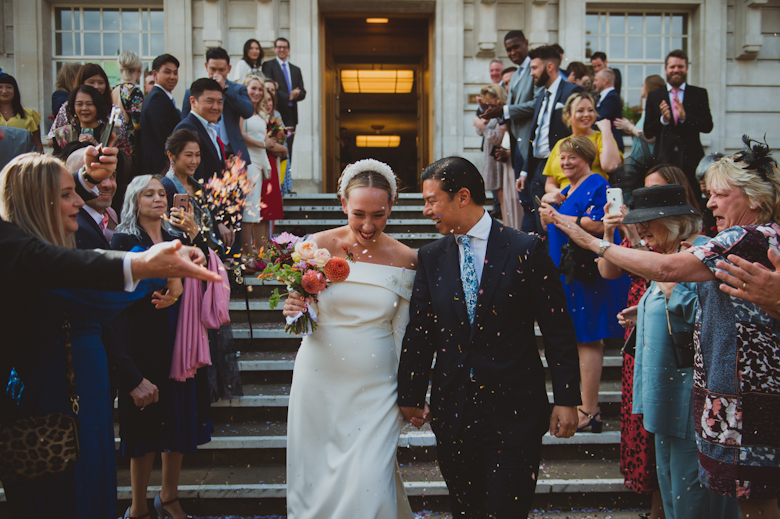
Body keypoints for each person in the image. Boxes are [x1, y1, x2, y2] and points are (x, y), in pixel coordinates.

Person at [551, 139, 780, 519]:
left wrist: (591, 241)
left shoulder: (746, 237)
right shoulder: (761, 236)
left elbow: (667, 270)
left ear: (754, 200)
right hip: (732, 395)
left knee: (749, 505)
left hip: (744, 398)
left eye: (720, 195)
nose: (710, 204)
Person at [398, 156, 580, 517]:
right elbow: (420, 333)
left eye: (432, 200)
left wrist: (567, 398)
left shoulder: (526, 249)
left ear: (462, 196)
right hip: (454, 412)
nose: (425, 210)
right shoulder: (431, 258)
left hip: (515, 412)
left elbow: (558, 328)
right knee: (466, 511)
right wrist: (411, 393)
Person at [0, 153, 167, 519]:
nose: (80, 200)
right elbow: (99, 294)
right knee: (69, 496)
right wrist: (155, 265)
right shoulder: (31, 260)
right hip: (55, 393)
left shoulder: (51, 247)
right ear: (37, 202)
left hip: (83, 387)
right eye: (67, 194)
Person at [281, 159, 417, 519]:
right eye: (358, 214)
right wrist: (293, 307)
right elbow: (300, 315)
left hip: (378, 385)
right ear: (343, 205)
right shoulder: (315, 248)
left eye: (379, 214)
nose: (368, 225)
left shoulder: (407, 259)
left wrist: (412, 390)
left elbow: (405, 331)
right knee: (315, 478)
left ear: (392, 207)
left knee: (370, 480)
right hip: (319, 380)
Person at [606, 185, 742, 519]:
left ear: (672, 224)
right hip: (664, 399)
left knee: (693, 498)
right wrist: (644, 309)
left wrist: (669, 293)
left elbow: (714, 318)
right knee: (671, 492)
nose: (644, 239)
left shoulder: (696, 256)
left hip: (689, 402)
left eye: (648, 232)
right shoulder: (668, 258)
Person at [112, 175, 214, 519]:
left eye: (161, 194)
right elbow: (130, 281)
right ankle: (138, 506)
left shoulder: (177, 236)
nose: (158, 199)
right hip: (139, 332)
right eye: (149, 194)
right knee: (141, 420)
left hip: (177, 334)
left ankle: (168, 495)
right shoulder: (124, 237)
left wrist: (196, 236)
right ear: (134, 200)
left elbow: (207, 267)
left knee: (175, 412)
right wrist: (173, 279)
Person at [538, 136, 629, 431]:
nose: (565, 162)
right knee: (578, 337)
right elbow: (553, 224)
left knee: (588, 338)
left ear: (587, 157)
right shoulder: (566, 189)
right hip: (568, 272)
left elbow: (600, 223)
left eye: (572, 157)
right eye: (562, 158)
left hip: (587, 272)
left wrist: (558, 216)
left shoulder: (597, 184)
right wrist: (548, 212)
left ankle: (589, 410)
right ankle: (584, 407)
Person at [161, 129, 243, 402]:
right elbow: (169, 231)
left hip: (204, 259)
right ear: (172, 156)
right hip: (183, 266)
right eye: (188, 155)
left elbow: (205, 227)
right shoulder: (165, 187)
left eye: (197, 155)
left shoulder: (197, 186)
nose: (194, 160)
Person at [519, 45, 585, 234]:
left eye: (534, 68)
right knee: (538, 222)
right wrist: (525, 170)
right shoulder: (541, 97)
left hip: (560, 167)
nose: (531, 73)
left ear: (549, 67)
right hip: (537, 168)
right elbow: (535, 135)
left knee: (558, 222)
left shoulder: (573, 91)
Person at [480, 31, 540, 229]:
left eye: (516, 47)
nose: (512, 52)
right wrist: (494, 114)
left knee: (531, 201)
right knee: (523, 199)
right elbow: (511, 110)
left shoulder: (533, 70)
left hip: (530, 144)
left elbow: (536, 105)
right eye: (508, 50)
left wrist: (504, 110)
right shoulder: (515, 76)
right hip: (515, 146)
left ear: (526, 43)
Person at [174, 78, 235, 250]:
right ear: (193, 101)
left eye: (219, 102)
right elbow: (193, 181)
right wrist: (217, 221)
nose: (215, 107)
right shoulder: (187, 130)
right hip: (201, 217)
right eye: (210, 101)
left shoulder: (209, 128)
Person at [644, 50, 713, 200]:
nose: (676, 70)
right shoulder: (655, 96)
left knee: (693, 202)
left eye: (680, 67)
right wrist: (664, 120)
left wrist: (686, 118)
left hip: (692, 160)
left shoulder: (699, 93)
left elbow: (708, 126)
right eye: (672, 66)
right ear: (666, 69)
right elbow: (648, 131)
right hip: (664, 161)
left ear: (686, 68)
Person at [540, 91, 622, 204]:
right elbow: (550, 183)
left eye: (590, 110)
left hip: (590, 202)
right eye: (580, 110)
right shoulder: (560, 144)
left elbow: (611, 165)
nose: (587, 114)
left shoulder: (601, 137)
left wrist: (606, 130)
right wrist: (563, 193)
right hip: (564, 203)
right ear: (568, 116)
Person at [182, 47, 255, 167]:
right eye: (213, 69)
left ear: (229, 69)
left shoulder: (237, 89)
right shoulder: (192, 92)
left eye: (221, 70)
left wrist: (226, 89)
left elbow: (248, 111)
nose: (216, 74)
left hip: (234, 153)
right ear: (206, 66)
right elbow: (185, 123)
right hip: (206, 153)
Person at [239, 75, 283, 257]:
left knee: (257, 212)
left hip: (262, 163)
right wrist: (261, 145)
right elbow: (240, 135)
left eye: (259, 89)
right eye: (253, 89)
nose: (257, 92)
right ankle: (247, 255)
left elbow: (264, 141)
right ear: (245, 89)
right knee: (249, 210)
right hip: (248, 162)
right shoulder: (242, 112)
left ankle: (259, 254)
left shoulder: (261, 114)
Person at [48, 64, 130, 158]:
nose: (96, 87)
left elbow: (123, 148)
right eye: (91, 82)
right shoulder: (68, 108)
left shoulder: (114, 111)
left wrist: (98, 145)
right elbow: (52, 140)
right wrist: (75, 144)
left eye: (100, 82)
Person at [473, 83, 523, 229]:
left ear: (498, 100)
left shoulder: (501, 116)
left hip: (501, 160)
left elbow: (497, 138)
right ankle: (508, 227)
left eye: (490, 102)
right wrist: (482, 116)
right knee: (500, 196)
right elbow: (479, 132)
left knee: (504, 197)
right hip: (491, 159)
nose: (488, 105)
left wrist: (483, 127)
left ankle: (510, 228)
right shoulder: (490, 114)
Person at [262, 37, 306, 159]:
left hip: (291, 115)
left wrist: (296, 95)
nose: (282, 49)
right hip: (275, 111)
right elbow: (269, 88)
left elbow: (303, 92)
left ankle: (286, 176)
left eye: (284, 47)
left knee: (288, 149)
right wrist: (288, 96)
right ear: (274, 49)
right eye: (279, 47)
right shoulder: (268, 65)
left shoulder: (295, 70)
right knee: (274, 146)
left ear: (289, 49)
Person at [141, 54, 182, 176]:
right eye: (167, 72)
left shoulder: (161, 97)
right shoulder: (157, 99)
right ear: (155, 74)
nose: (172, 77)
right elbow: (166, 138)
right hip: (160, 168)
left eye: (175, 73)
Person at [112, 51, 145, 160]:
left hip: (114, 144)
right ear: (140, 70)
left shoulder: (113, 90)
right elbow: (137, 124)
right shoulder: (134, 91)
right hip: (130, 147)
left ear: (121, 70)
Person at [0, 74, 43, 153]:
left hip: (21, 161)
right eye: (0, 87)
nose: (4, 91)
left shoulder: (29, 115)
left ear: (15, 90)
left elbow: (38, 145)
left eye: (9, 87)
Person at [593, 68, 624, 152]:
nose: (594, 83)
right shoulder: (603, 96)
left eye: (596, 80)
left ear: (605, 81)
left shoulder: (612, 97)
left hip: (612, 144)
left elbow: (600, 118)